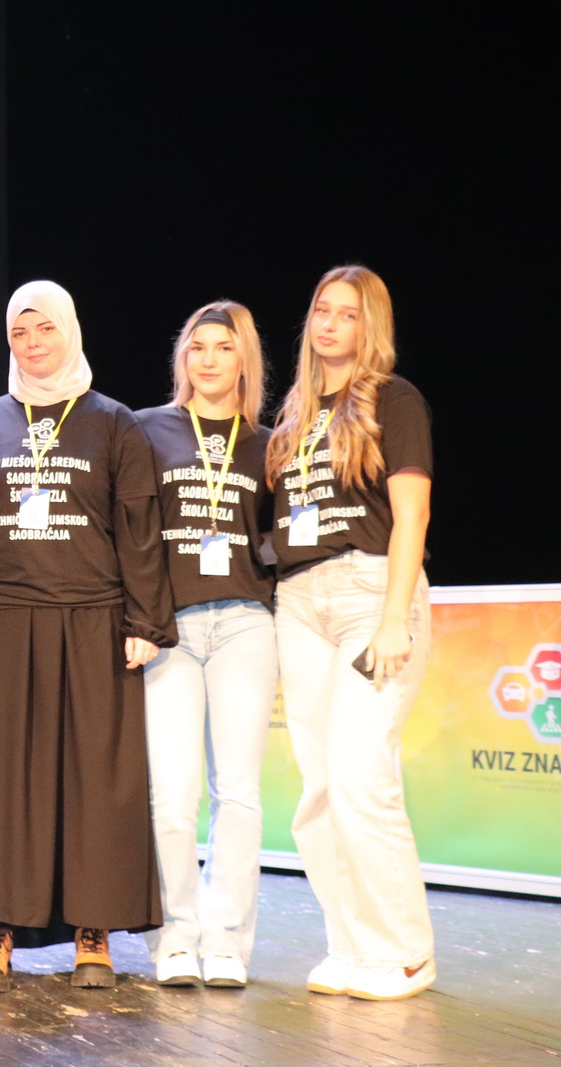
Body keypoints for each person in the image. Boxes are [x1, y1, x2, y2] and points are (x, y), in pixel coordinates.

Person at [0, 280, 173, 992]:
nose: (33, 343)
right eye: (20, 332)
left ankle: (93, 931)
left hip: (94, 621)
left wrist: (145, 621)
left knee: (95, 785)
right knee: (4, 784)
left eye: (45, 329)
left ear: (70, 331)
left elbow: (139, 530)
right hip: (4, 622)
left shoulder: (113, 422)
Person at [265, 265, 435, 1001]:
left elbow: (412, 514)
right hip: (301, 601)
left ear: (371, 326)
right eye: (321, 310)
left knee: (363, 773)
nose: (329, 324)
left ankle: (405, 952)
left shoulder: (393, 399)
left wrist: (396, 615)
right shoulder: (295, 416)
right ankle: (351, 944)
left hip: (371, 594)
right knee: (321, 786)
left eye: (347, 314)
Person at [135, 302, 277, 989]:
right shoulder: (147, 429)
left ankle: (226, 942)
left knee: (238, 793)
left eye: (224, 347)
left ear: (244, 358)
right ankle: (174, 936)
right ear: (182, 357)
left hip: (245, 623)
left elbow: (280, 536)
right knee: (171, 795)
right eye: (198, 347)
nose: (210, 359)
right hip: (171, 628)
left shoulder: (268, 443)